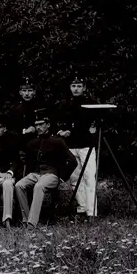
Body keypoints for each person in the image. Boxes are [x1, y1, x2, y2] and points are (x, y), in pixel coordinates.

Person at [14, 108, 77, 229]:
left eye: (41, 124)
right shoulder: (33, 142)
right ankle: (25, 219)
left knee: (39, 186)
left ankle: (32, 224)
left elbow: (73, 161)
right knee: (19, 185)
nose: (38, 127)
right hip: (36, 173)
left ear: (48, 125)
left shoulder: (57, 141)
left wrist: (63, 177)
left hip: (52, 174)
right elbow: (22, 152)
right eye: (36, 125)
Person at [54, 76, 98, 218]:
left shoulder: (91, 104)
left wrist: (71, 131)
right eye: (73, 86)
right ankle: (82, 208)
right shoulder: (64, 104)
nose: (76, 89)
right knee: (74, 178)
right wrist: (61, 130)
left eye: (79, 86)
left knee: (89, 176)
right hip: (70, 146)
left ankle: (92, 212)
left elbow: (92, 124)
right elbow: (59, 121)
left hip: (86, 145)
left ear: (84, 87)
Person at [9, 77, 43, 165]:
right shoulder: (15, 109)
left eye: (30, 90)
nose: (27, 93)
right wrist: (24, 131)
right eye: (24, 91)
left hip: (38, 144)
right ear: (20, 92)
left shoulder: (40, 107)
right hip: (21, 144)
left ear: (34, 92)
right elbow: (11, 128)